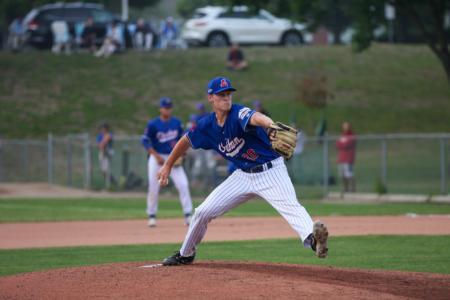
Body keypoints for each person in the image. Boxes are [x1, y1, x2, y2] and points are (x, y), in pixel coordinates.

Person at [157, 76, 329, 266]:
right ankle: (185, 254)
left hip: (271, 171)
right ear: (211, 98)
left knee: (291, 207)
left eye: (228, 94)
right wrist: (167, 165)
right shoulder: (206, 125)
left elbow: (256, 117)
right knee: (202, 212)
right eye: (221, 95)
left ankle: (314, 240)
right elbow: (186, 141)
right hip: (243, 176)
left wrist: (270, 125)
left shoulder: (238, 113)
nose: (226, 98)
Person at [141, 97, 193, 227]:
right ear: (160, 109)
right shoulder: (153, 124)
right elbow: (145, 141)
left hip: (172, 157)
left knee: (183, 184)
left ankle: (188, 215)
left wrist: (182, 155)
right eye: (165, 107)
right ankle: (151, 215)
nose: (167, 110)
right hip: (157, 158)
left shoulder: (177, 123)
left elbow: (184, 140)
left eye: (169, 108)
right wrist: (155, 155)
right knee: (154, 186)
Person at [336, 121, 356, 193]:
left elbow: (347, 144)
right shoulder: (342, 135)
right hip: (341, 158)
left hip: (348, 158)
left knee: (349, 174)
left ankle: (352, 189)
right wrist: (342, 144)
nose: (345, 127)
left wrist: (342, 144)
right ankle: (345, 189)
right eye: (344, 126)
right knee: (342, 175)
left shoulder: (352, 135)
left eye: (347, 126)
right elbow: (338, 144)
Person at [96, 123, 114, 188]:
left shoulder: (109, 134)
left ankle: (109, 184)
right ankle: (109, 182)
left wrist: (102, 144)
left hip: (108, 153)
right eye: (102, 128)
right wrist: (101, 145)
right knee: (103, 170)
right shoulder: (99, 136)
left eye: (104, 128)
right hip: (102, 153)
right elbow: (98, 144)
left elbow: (107, 139)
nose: (103, 130)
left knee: (107, 169)